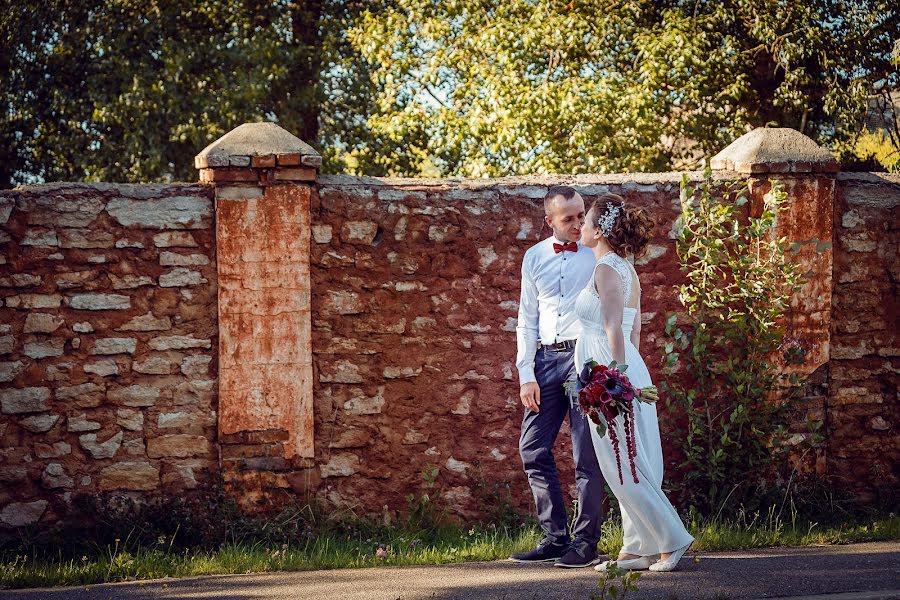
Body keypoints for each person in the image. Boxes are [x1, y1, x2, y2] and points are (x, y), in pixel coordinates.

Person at [575, 193, 694, 573]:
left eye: (584, 222)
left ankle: (670, 541)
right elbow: (635, 329)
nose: (579, 227)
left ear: (597, 231)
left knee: (624, 463)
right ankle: (637, 547)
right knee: (627, 460)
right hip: (624, 369)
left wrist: (614, 381)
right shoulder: (625, 269)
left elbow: (614, 328)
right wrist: (628, 372)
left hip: (611, 374)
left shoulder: (607, 270)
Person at [509, 186, 606, 568]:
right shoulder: (533, 257)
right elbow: (525, 318)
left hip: (583, 359)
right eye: (568, 218)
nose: (578, 223)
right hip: (545, 360)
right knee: (532, 448)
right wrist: (525, 374)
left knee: (586, 455)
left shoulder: (597, 254)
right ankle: (555, 536)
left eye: (581, 215)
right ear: (549, 221)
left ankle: (586, 543)